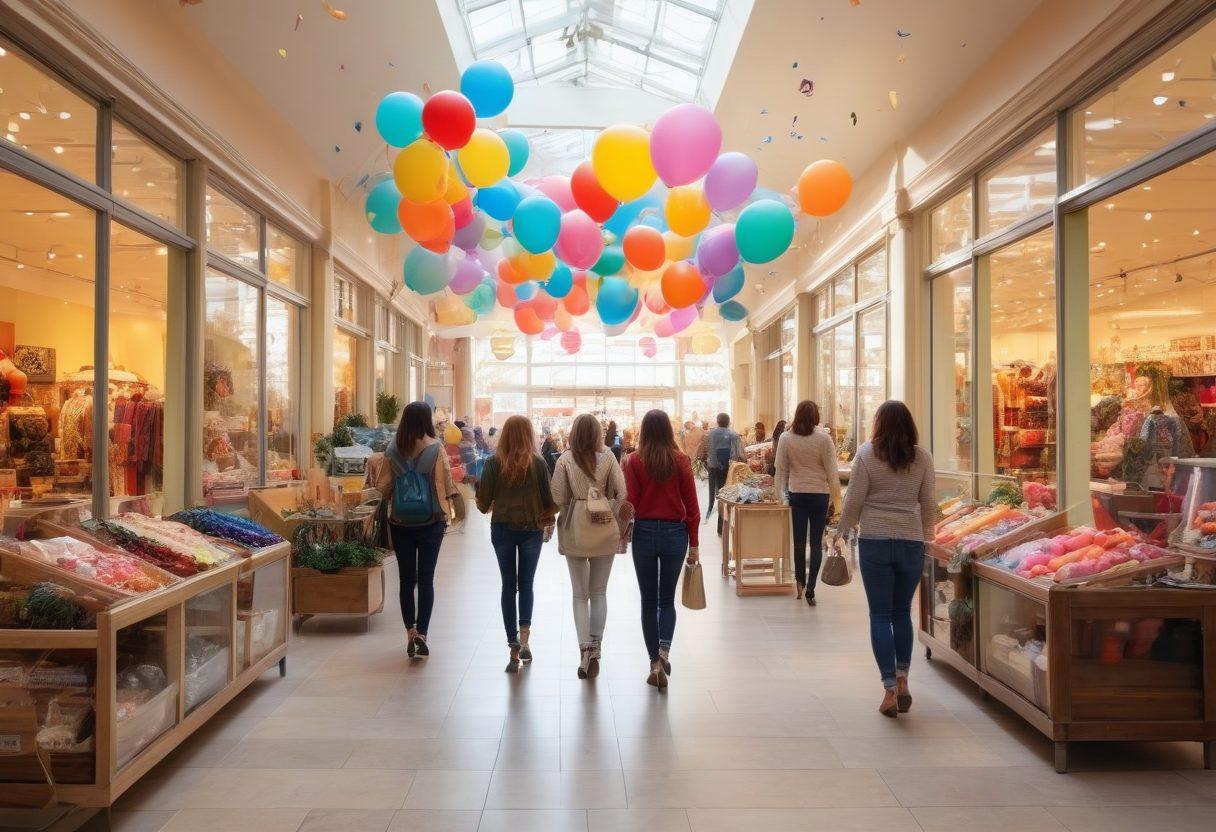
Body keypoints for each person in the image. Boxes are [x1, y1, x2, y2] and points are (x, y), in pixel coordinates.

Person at [837, 400, 936, 718]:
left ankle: (889, 690)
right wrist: (927, 535)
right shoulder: (922, 458)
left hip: (876, 541)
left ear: (878, 424)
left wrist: (840, 529)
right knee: (901, 614)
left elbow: (854, 498)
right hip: (910, 542)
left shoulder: (866, 455)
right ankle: (904, 678)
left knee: (879, 616)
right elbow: (928, 501)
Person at [371, 401, 462, 659]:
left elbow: (383, 487)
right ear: (425, 421)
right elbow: (446, 483)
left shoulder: (392, 450)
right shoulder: (436, 448)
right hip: (431, 521)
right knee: (426, 580)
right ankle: (423, 633)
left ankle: (409, 632)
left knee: (406, 580)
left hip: (400, 522)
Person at [624, 409, 700, 690]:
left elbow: (630, 503)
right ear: (669, 431)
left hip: (644, 532)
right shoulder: (681, 461)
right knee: (666, 600)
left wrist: (623, 533)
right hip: (674, 534)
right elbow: (691, 507)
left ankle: (654, 663)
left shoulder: (633, 461)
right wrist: (694, 543)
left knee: (647, 601)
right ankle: (665, 650)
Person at [476, 415, 558, 673]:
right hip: (531, 531)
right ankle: (525, 640)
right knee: (527, 585)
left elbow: (482, 504)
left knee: (508, 586)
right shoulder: (538, 463)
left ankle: (512, 643)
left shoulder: (492, 464)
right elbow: (550, 501)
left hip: (501, 530)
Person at [551, 413, 628, 680]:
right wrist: (607, 505)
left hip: (575, 528)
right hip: (604, 525)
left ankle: (583, 647)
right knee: (599, 593)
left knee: (578, 595)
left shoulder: (565, 459)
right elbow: (622, 492)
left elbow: (558, 497)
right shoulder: (608, 456)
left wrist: (570, 512)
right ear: (598, 433)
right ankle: (596, 647)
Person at [774, 402, 841, 605]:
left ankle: (799, 584)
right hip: (819, 495)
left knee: (799, 543)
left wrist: (781, 496)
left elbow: (781, 469)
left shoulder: (786, 438)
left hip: (798, 494)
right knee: (816, 543)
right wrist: (836, 499)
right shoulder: (823, 438)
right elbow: (832, 471)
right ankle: (812, 587)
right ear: (815, 416)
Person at [704, 413, 744, 532]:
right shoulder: (733, 434)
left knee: (713, 493)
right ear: (728, 422)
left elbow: (708, 450)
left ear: (717, 421)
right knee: (725, 495)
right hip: (726, 468)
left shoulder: (710, 434)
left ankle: (710, 512)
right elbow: (737, 453)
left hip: (712, 467)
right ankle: (721, 525)